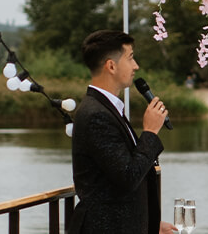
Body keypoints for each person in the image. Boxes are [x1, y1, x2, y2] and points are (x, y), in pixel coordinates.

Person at [68, 30, 176, 234]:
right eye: (130, 57)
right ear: (111, 66)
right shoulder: (96, 115)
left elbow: (116, 180)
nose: (136, 66)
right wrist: (150, 132)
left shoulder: (107, 109)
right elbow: (128, 176)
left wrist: (150, 224)